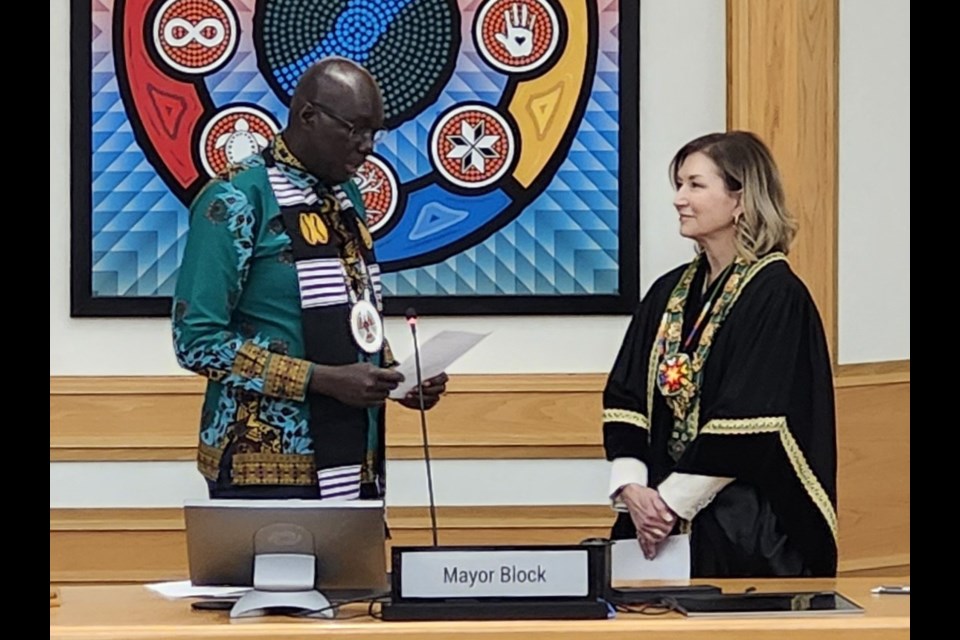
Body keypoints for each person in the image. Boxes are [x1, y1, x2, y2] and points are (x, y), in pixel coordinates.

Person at [172, 57, 448, 500]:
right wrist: (321, 379)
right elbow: (196, 341)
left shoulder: (346, 196)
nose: (367, 146)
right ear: (307, 116)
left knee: (355, 573)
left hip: (354, 452)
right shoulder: (236, 198)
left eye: (375, 132)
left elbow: (352, 312)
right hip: (261, 462)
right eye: (355, 129)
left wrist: (395, 376)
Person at [602, 131, 837, 577]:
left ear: (741, 199)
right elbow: (625, 398)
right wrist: (633, 489)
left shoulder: (777, 295)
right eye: (678, 184)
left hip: (743, 529)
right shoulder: (667, 293)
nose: (679, 198)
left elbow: (750, 421)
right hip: (650, 524)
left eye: (695, 184)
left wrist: (668, 506)